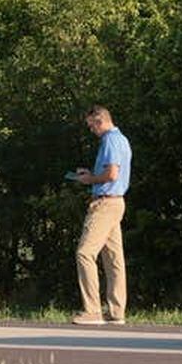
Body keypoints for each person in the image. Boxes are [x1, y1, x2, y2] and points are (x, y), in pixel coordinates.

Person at [72, 104, 131, 326]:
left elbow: (112, 174)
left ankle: (92, 310)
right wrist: (92, 174)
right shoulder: (122, 139)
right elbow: (112, 172)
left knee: (84, 253)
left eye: (91, 126)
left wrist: (90, 180)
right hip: (117, 202)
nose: (91, 130)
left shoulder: (110, 140)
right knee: (114, 258)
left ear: (100, 121)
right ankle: (116, 311)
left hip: (105, 204)